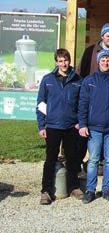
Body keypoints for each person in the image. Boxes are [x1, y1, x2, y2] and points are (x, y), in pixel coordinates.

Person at [36, 48, 83, 205]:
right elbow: (41, 104)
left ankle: (74, 187)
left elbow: (82, 104)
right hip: (53, 126)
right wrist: (41, 126)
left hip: (71, 126)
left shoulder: (78, 80)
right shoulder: (48, 79)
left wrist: (79, 122)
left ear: (70, 61)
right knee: (50, 159)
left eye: (66, 60)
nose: (64, 63)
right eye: (60, 61)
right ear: (56, 62)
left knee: (72, 158)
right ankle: (46, 190)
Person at [78, 50, 109, 203]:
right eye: (103, 60)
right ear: (98, 62)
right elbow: (83, 104)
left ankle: (107, 190)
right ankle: (90, 190)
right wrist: (83, 124)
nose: (106, 63)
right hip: (94, 128)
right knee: (93, 160)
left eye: (108, 60)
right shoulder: (89, 80)